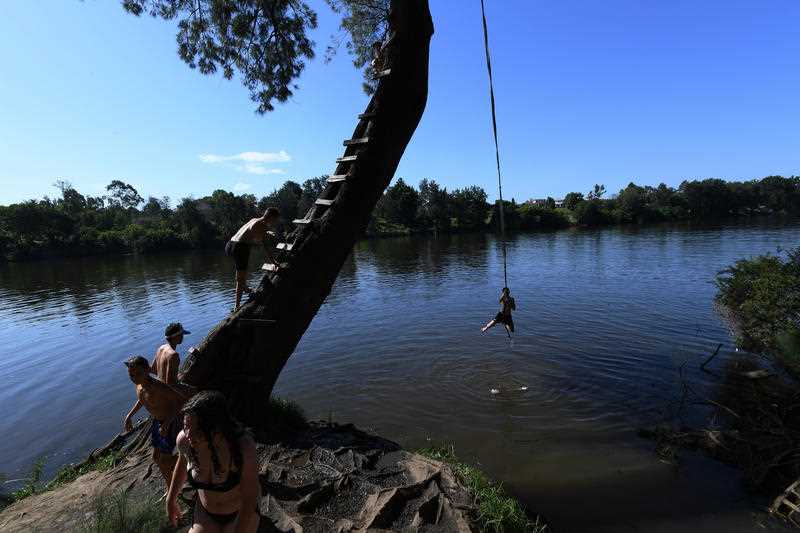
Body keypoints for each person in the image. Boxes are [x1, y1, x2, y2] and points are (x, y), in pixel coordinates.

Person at [166, 391, 260, 532]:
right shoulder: (185, 441)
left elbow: (250, 497)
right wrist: (171, 499)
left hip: (240, 512)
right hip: (205, 513)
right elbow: (182, 464)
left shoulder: (242, 447)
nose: (189, 434)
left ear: (217, 429)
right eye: (186, 426)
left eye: (197, 430)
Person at [122, 355, 193, 486]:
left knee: (164, 462)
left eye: (138, 373)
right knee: (156, 458)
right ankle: (170, 486)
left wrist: (167, 424)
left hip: (171, 423)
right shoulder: (139, 385)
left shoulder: (158, 386)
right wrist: (129, 416)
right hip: (158, 422)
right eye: (131, 375)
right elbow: (142, 399)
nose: (134, 378)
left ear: (147, 370)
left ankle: (191, 460)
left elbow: (180, 402)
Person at [225, 207, 281, 310]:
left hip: (229, 245)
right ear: (272, 218)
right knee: (241, 278)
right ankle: (236, 307)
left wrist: (267, 232)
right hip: (240, 247)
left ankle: (245, 288)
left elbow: (252, 230)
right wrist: (273, 262)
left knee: (240, 273)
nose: (275, 223)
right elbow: (265, 246)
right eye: (275, 220)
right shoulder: (263, 226)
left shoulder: (254, 219)